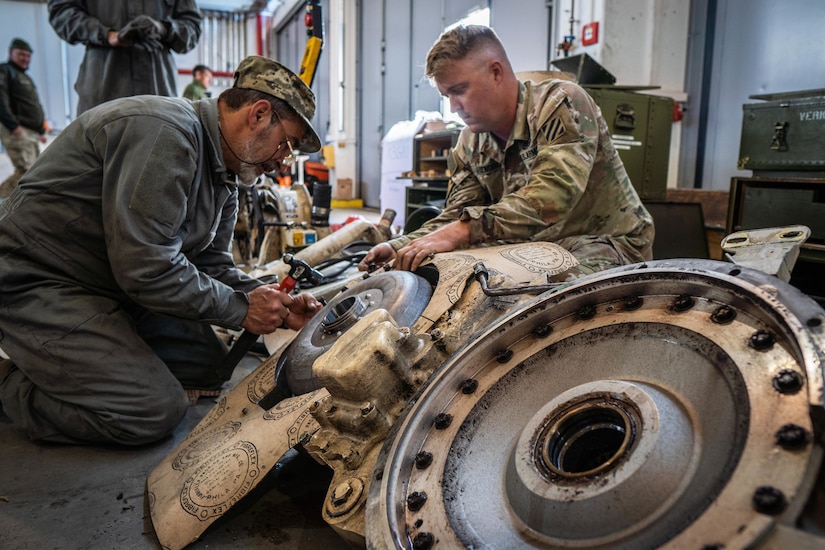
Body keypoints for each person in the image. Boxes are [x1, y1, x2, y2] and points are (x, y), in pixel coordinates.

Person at [0, 55, 323, 446]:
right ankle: (11, 383)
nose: (281, 162)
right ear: (258, 115)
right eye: (286, 144)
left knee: (206, 368)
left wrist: (276, 303)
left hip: (109, 284)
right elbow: (145, 267)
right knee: (149, 411)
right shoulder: (167, 134)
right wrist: (241, 309)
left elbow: (210, 264)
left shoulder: (226, 175)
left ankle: (82, 359)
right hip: (38, 278)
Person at [359, 25, 654, 275]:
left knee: (532, 300)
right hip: (536, 245)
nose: (453, 107)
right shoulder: (470, 141)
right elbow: (457, 217)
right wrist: (401, 246)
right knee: (444, 275)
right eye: (446, 95)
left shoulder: (559, 103)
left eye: (459, 90)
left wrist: (462, 231)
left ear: (496, 72)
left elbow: (551, 198)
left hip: (606, 243)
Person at [47, 0, 202, 115]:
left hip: (159, 91)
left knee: (161, 150)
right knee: (98, 151)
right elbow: (61, 11)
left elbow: (192, 26)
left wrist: (163, 28)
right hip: (103, 90)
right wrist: (105, 34)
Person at [0, 38, 47, 200]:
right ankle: (3, 199)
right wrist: (13, 126)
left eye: (28, 55)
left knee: (34, 170)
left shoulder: (25, 77)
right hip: (17, 129)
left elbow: (34, 105)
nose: (25, 58)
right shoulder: (5, 71)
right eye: (21, 54)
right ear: (10, 53)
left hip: (32, 131)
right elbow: (1, 100)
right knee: (26, 171)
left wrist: (41, 129)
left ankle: (21, 205)